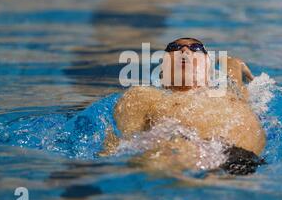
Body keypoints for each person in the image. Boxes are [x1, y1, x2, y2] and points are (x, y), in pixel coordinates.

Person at [103, 38, 265, 175]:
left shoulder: (228, 94)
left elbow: (235, 80)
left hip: (248, 162)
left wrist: (232, 63)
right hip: (187, 155)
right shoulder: (143, 96)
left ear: (209, 72)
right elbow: (128, 144)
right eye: (175, 48)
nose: (186, 51)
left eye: (196, 48)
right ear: (162, 73)